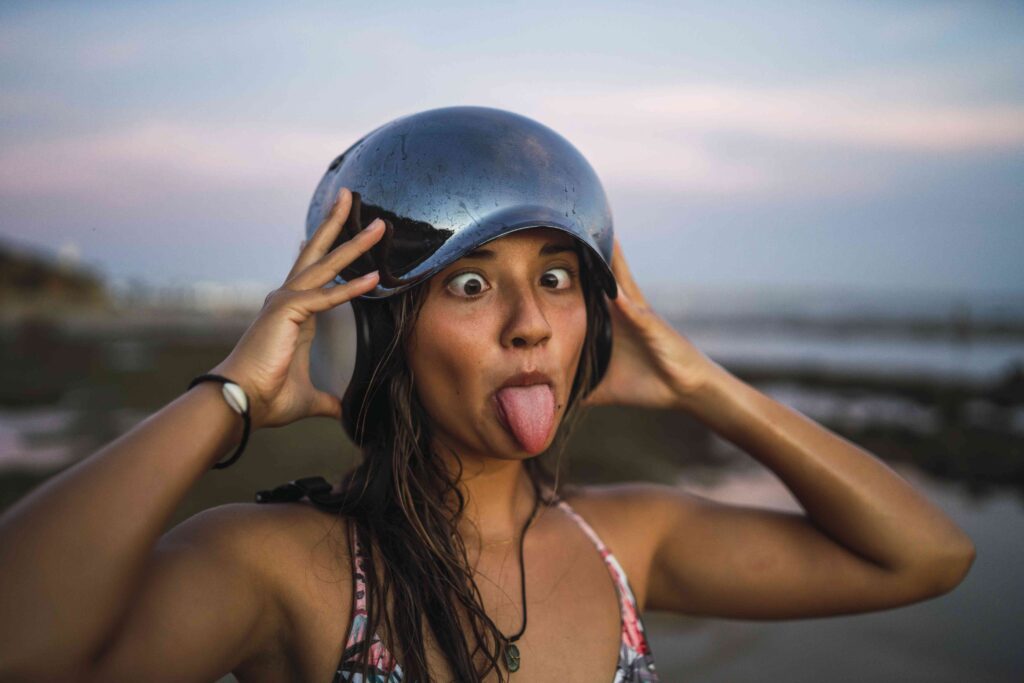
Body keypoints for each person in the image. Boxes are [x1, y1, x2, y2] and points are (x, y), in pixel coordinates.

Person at [0, 107, 975, 683]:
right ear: (378, 330)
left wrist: (697, 380)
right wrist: (231, 391)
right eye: (469, 283)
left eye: (556, 275)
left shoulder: (626, 543)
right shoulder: (276, 565)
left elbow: (926, 553)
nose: (529, 320)